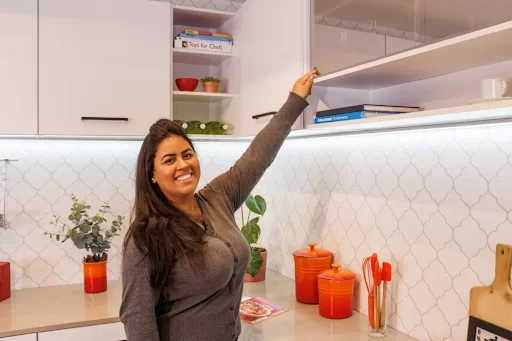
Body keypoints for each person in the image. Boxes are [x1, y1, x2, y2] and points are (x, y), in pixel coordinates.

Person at [119, 69, 319, 341]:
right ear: (152, 174)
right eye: (169, 160)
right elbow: (137, 319)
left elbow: (256, 158)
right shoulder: (145, 237)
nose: (183, 165)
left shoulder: (217, 198)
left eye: (187, 154)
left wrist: (295, 100)